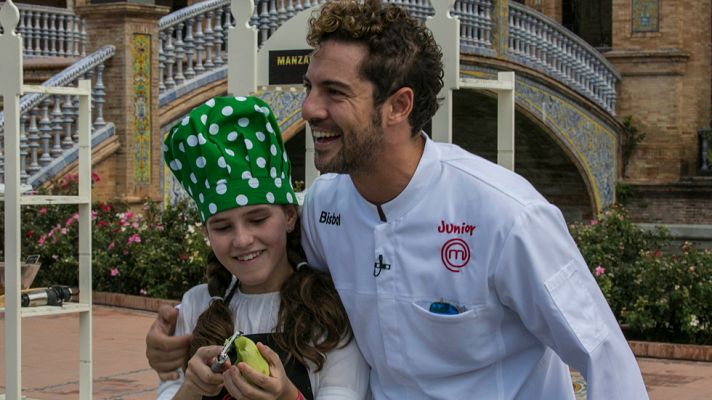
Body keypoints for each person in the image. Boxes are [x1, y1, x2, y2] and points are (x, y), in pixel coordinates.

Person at [149, 1, 649, 399]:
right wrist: (173, 345)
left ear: (398, 106)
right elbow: (254, 250)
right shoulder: (326, 206)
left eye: (334, 92)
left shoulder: (505, 216)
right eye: (309, 88)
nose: (309, 108)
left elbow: (604, 358)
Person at [156, 95, 370, 400]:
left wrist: (286, 396)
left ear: (289, 216)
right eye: (222, 226)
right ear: (206, 232)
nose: (242, 240)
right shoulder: (194, 307)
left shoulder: (329, 311)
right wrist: (191, 388)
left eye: (257, 219)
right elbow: (168, 389)